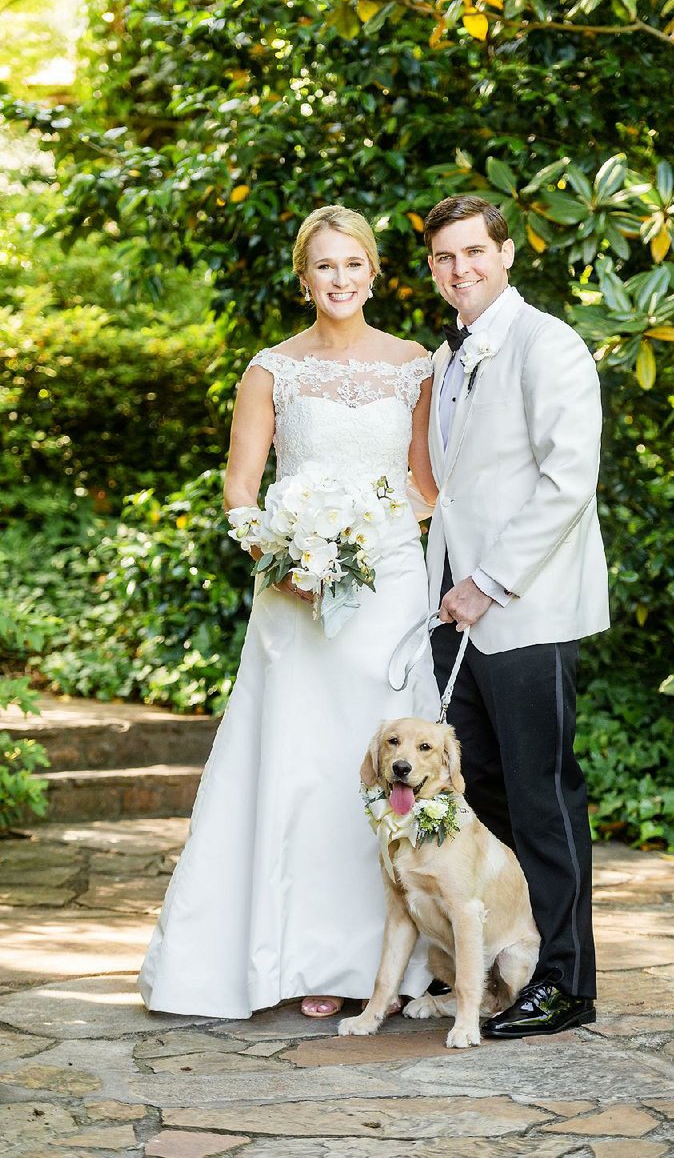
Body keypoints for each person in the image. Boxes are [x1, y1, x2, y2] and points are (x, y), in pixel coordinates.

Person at [138, 205, 440, 1020]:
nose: (339, 280)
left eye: (353, 264)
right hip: (294, 596)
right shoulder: (272, 368)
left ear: (375, 271)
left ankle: (396, 958)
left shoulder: (415, 365)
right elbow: (241, 487)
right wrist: (290, 554)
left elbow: (426, 484)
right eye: (324, 267)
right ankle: (307, 952)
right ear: (302, 278)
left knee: (389, 770)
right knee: (302, 768)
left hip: (386, 590)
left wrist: (358, 540)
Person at [423, 194, 610, 1038]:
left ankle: (567, 983)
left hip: (525, 608)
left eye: (474, 252)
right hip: (456, 618)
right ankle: (507, 961)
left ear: (505, 254)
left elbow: (569, 479)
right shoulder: (443, 356)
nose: (460, 269)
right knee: (483, 794)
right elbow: (451, 490)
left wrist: (488, 582)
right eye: (444, 258)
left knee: (543, 797)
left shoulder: (549, 343)